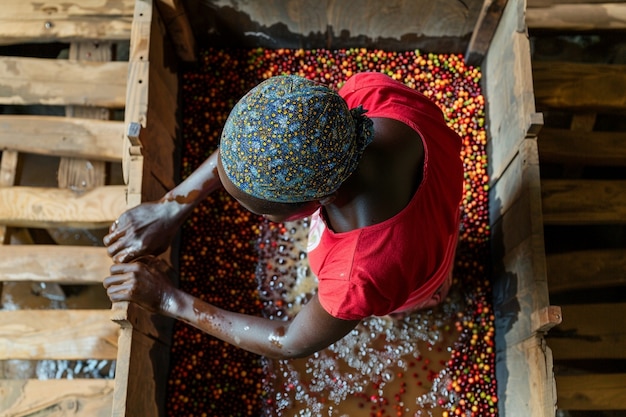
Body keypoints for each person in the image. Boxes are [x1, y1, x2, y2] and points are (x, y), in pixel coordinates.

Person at [103, 72, 463, 360]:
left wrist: (169, 299)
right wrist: (173, 205)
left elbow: (290, 340)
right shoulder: (367, 97)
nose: (257, 215)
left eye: (262, 210)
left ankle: (428, 300)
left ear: (318, 200)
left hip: (421, 276)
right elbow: (258, 143)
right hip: (438, 204)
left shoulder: (360, 274)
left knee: (414, 298)